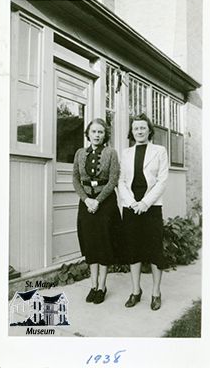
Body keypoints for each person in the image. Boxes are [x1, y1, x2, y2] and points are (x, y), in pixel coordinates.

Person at [118, 113, 169, 310]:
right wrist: (131, 202)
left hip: (152, 207)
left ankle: (156, 293)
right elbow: (121, 181)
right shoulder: (126, 153)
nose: (139, 131)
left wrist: (145, 203)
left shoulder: (160, 151)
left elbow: (162, 181)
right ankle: (136, 291)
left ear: (149, 130)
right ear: (132, 132)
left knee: (155, 250)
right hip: (131, 207)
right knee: (133, 249)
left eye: (142, 128)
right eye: (136, 128)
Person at [73, 118, 121, 304]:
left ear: (105, 134)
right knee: (90, 243)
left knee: (104, 243)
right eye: (94, 131)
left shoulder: (111, 153)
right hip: (86, 203)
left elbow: (113, 179)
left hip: (105, 204)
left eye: (100, 132)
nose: (97, 135)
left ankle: (102, 286)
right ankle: (92, 286)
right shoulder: (79, 153)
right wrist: (86, 200)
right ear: (88, 134)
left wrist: (97, 201)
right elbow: (76, 179)